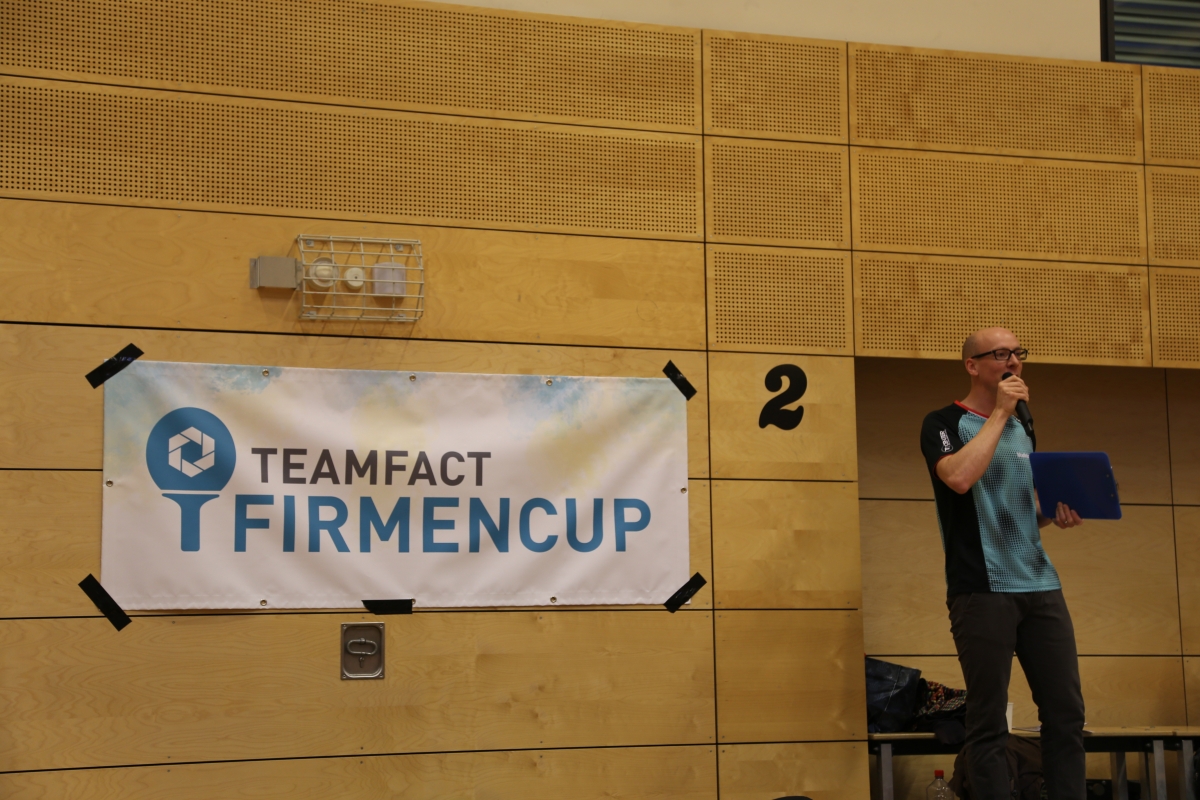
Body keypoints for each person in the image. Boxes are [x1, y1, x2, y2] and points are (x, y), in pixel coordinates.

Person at [919, 327, 1086, 800]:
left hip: (1039, 582)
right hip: (981, 587)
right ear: (972, 365)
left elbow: (1022, 506)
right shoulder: (942, 422)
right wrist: (1000, 412)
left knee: (1066, 714)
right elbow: (959, 478)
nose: (1013, 361)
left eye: (1017, 353)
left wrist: (1053, 512)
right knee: (988, 720)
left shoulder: (1022, 427)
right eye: (1000, 354)